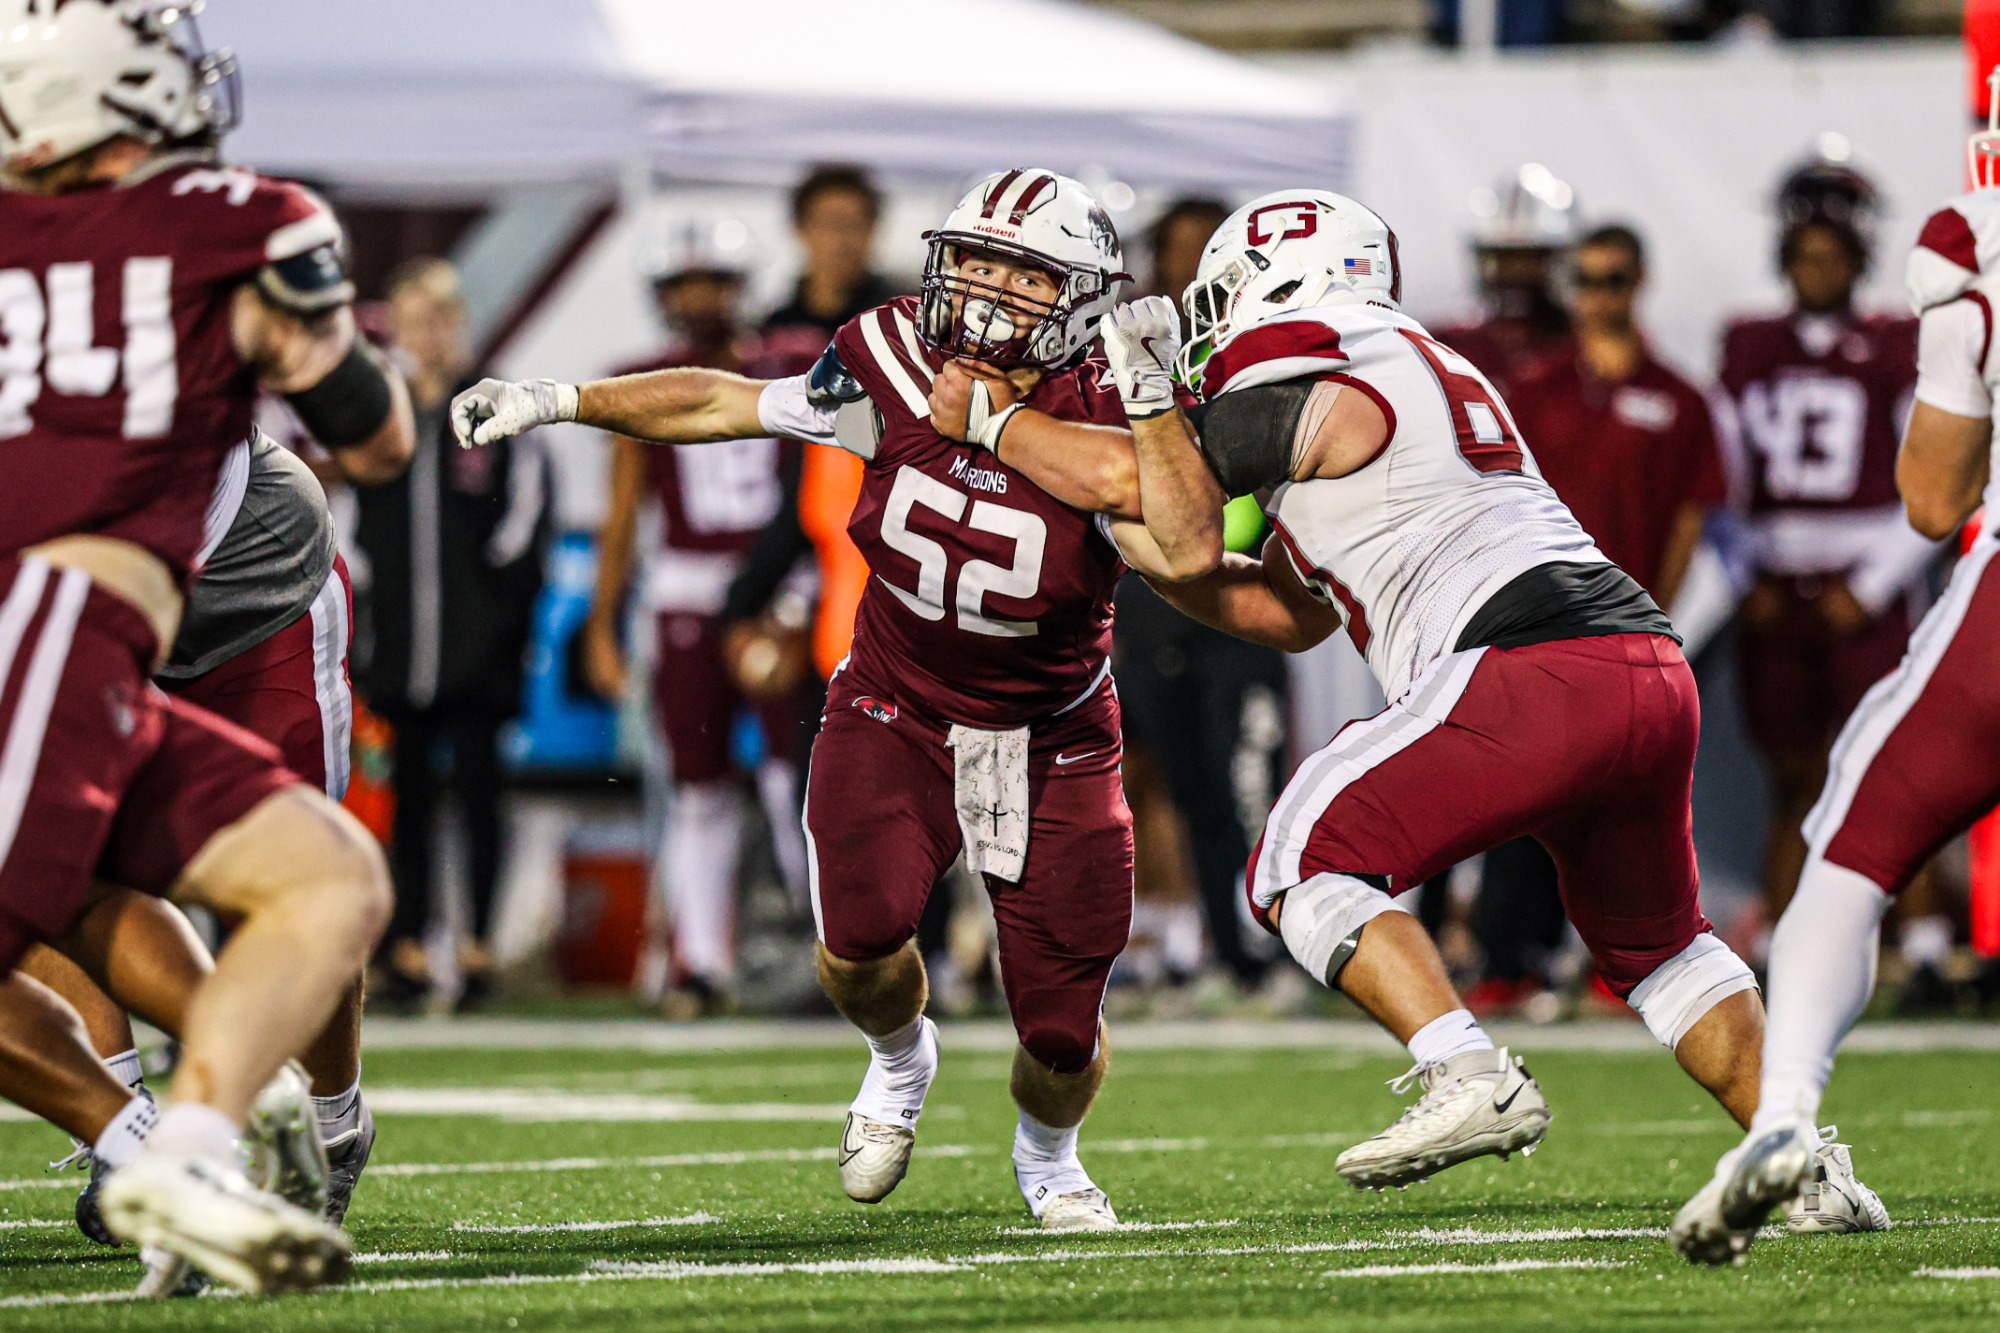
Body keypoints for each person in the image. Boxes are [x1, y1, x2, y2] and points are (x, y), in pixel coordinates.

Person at [1003, 189, 1878, 1234]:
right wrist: (1129, 543)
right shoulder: (1405, 362)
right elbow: (1278, 608)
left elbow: (1165, 506)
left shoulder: (1300, 341)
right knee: (1662, 949)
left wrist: (995, 421)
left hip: (1522, 660)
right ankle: (1806, 1161)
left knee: (1295, 855)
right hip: (1637, 663)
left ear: (1261, 283)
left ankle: (1465, 1070)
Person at [452, 169, 1219, 1231]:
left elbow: (1182, 544)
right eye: (974, 263)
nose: (984, 292)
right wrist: (563, 399)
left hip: (1049, 735)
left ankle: (1048, 1155)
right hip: (895, 700)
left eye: (1019, 273)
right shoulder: (894, 358)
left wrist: (1051, 421)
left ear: (1081, 300)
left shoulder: (1112, 409)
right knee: (855, 944)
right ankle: (901, 1062)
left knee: (1058, 1028)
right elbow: (727, 400)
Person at [0, 0, 408, 1292]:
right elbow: (379, 432)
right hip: (57, 626)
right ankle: (149, 1140)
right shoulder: (240, 220)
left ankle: (191, 1146)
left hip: (171, 613)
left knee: (328, 876)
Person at [1671, 104, 2000, 1267]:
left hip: (1938, 578)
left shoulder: (1971, 242)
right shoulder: (1757, 343)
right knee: (1801, 782)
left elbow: (1930, 500)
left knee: (1852, 840)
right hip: (1795, 577)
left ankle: (1783, 1112)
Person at [21, 414, 411, 1258]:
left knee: (299, 883)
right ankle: (130, 1136)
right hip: (81, 598)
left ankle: (330, 1122)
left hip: (251, 584)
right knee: (38, 855)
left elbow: (370, 421)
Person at [1463, 224, 1731, 1012]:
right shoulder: (1535, 388)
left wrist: (1657, 609)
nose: (1598, 295)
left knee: (1626, 806)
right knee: (1522, 796)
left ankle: (1629, 966)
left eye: (1612, 279)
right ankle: (1509, 957)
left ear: (1637, 282)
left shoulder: (1679, 396)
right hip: (1537, 618)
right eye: (1586, 279)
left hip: (1627, 625)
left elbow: (1692, 515)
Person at [582, 220, 813, 1016]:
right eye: (686, 285)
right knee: (697, 784)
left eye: (713, 280)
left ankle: (838, 947)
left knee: (800, 774)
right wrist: (601, 623)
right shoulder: (643, 377)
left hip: (780, 585)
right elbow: (620, 514)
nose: (701, 298)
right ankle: (701, 961)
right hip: (686, 587)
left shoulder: (791, 362)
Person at [1713, 159, 1933, 948]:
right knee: (1794, 776)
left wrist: (1873, 584)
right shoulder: (1749, 342)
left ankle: (1924, 943)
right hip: (1775, 583)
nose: (1819, 270)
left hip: (1864, 579)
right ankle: (1783, 935)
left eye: (1833, 256)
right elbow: (1721, 480)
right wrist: (1744, 575)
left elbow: (1933, 477)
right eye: (1807, 256)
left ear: (1859, 260)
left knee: (1889, 771)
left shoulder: (1896, 342)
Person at [353, 258, 550, 1011]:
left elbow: (525, 525)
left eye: (441, 318)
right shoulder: (376, 410)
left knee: (477, 794)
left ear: (460, 322)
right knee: (404, 798)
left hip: (477, 652)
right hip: (398, 649)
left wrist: (500, 623)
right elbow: (352, 526)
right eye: (415, 320)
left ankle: (476, 948)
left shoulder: (496, 408)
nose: (429, 335)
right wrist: (370, 621)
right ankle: (406, 942)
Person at [1113, 197, 1288, 995]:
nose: (1187, 266)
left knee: (1251, 786)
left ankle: (1280, 946)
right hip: (1153, 604)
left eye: (1201, 249)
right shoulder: (1122, 352)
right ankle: (1228, 948)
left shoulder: (1259, 351)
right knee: (1187, 791)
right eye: (1177, 248)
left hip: (1241, 599)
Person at [1433, 165, 1577, 394]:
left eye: (1528, 261)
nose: (1514, 276)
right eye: (1503, 260)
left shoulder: (1591, 350)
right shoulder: (1449, 346)